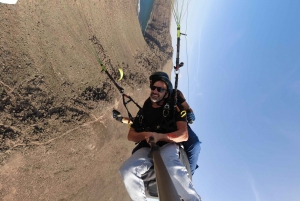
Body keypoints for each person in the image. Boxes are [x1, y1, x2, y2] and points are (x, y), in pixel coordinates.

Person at [119, 73, 201, 201]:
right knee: (127, 170)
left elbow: (184, 131)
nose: (155, 90)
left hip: (169, 141)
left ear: (166, 91)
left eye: (160, 89)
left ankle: (191, 195)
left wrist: (190, 114)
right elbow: (134, 127)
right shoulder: (146, 108)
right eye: (153, 87)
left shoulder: (176, 102)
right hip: (148, 145)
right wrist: (145, 134)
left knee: (178, 161)